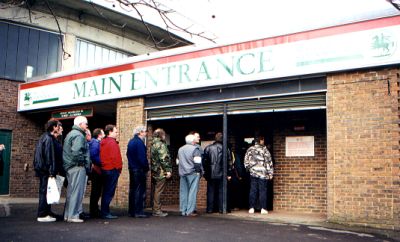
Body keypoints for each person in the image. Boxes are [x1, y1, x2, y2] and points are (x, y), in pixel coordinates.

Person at [33, 119, 63, 222]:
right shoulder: (48, 139)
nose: (59, 128)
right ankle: (42, 215)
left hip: (43, 169)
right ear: (54, 127)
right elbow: (49, 157)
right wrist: (51, 171)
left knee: (46, 191)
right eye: (58, 126)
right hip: (46, 170)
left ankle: (47, 212)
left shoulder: (45, 137)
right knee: (45, 191)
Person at [63, 116, 91, 223]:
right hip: (77, 167)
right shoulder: (79, 135)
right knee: (76, 192)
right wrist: (82, 163)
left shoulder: (71, 134)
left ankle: (68, 214)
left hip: (70, 167)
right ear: (80, 124)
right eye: (86, 123)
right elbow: (77, 152)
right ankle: (73, 215)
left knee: (71, 191)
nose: (87, 126)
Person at [244, 136, 273, 215]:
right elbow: (268, 162)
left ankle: (251, 208)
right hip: (263, 174)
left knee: (253, 190)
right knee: (262, 191)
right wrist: (270, 173)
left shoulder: (250, 149)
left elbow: (246, 161)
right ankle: (263, 208)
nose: (264, 141)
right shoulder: (265, 150)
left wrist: (249, 169)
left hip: (253, 173)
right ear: (261, 140)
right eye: (263, 140)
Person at [203, 132, 232, 213]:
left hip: (211, 174)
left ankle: (210, 209)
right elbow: (229, 162)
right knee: (221, 191)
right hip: (222, 173)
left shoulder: (208, 148)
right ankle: (222, 209)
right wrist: (229, 174)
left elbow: (204, 162)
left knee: (210, 191)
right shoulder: (226, 149)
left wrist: (205, 173)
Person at [99, 125, 122, 219]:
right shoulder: (112, 143)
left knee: (105, 192)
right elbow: (115, 157)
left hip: (105, 169)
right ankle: (105, 213)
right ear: (110, 132)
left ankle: (105, 211)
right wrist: (119, 169)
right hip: (112, 170)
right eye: (115, 132)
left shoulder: (103, 142)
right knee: (109, 192)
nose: (117, 133)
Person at [127, 126, 150, 218]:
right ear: (140, 132)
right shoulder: (139, 143)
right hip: (139, 169)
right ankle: (138, 211)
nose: (146, 133)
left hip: (132, 168)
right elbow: (142, 158)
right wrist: (146, 167)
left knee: (133, 190)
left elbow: (127, 154)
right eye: (145, 132)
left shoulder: (131, 141)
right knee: (139, 190)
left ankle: (132, 211)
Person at [177, 134, 202, 217]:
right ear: (192, 141)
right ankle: (190, 211)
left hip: (183, 173)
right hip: (193, 173)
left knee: (183, 192)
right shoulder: (195, 149)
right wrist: (198, 172)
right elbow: (197, 162)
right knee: (192, 192)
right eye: (195, 139)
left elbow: (177, 162)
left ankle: (183, 210)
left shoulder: (180, 149)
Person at [150, 128, 172, 217]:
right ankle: (157, 210)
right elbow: (164, 159)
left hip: (155, 170)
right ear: (161, 135)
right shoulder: (161, 144)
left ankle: (155, 209)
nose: (164, 136)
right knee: (158, 191)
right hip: (161, 171)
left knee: (155, 190)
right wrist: (168, 170)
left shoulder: (153, 144)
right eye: (164, 134)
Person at [88, 128, 105, 218]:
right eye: (103, 133)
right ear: (99, 135)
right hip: (96, 170)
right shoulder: (95, 143)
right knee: (96, 191)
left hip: (96, 169)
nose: (104, 135)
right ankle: (94, 211)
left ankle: (94, 209)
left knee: (96, 191)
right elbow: (94, 155)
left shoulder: (95, 142)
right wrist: (102, 162)